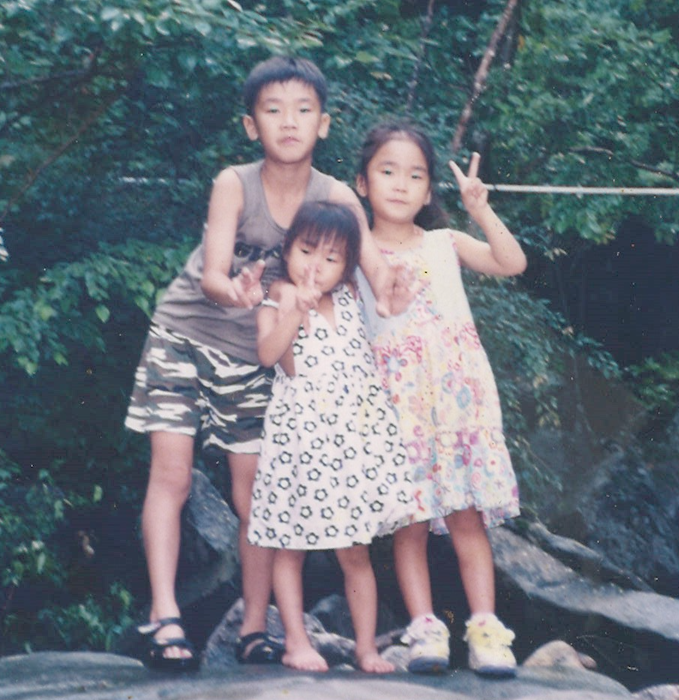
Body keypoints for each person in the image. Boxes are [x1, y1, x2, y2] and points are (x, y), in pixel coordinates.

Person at [125, 58, 410, 671]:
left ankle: (254, 626)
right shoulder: (235, 183)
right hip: (185, 333)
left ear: (324, 124)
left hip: (263, 352)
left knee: (255, 493)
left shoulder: (335, 196)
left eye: (303, 110)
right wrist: (237, 290)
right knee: (172, 475)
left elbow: (373, 269)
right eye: (273, 110)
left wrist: (395, 287)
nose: (289, 122)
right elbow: (212, 275)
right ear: (251, 125)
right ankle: (165, 614)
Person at [355, 121, 527, 677]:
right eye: (387, 171)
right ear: (362, 183)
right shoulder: (356, 254)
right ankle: (425, 629)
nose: (400, 184)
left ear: (429, 190)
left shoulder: (442, 244)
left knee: (466, 518)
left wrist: (481, 210)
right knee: (410, 522)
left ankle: (485, 630)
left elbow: (512, 262)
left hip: (458, 406)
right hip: (397, 408)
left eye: (414, 175)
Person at [247, 201, 413, 673]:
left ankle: (366, 648)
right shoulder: (276, 298)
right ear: (287, 249)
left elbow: (389, 303)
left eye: (332, 257)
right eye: (306, 251)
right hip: (303, 441)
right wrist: (294, 311)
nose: (315, 265)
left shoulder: (350, 295)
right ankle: (296, 642)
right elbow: (270, 357)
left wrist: (399, 290)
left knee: (355, 550)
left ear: (347, 266)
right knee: (290, 544)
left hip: (353, 441)